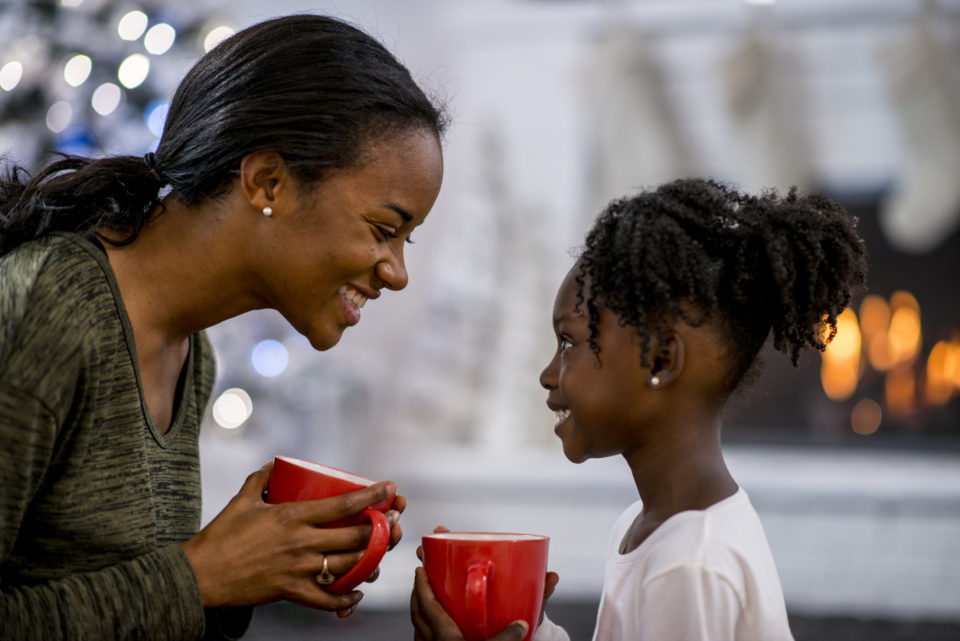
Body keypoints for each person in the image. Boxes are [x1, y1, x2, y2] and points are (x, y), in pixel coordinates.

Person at [0, 13, 445, 641]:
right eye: (383, 229)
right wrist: (200, 575)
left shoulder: (190, 352)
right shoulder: (54, 305)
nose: (397, 273)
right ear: (267, 181)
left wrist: (250, 572)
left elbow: (126, 605)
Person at [411, 178, 867, 641]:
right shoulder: (644, 527)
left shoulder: (689, 565)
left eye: (568, 342)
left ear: (661, 360)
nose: (548, 374)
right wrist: (527, 629)